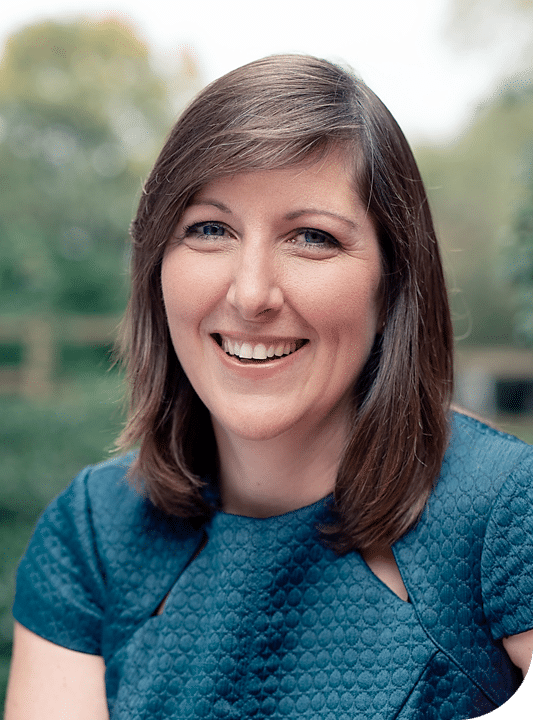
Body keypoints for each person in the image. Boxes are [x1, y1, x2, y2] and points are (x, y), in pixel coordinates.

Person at [5, 54, 533, 720]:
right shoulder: (93, 535)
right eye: (209, 229)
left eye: (310, 237)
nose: (251, 293)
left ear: (392, 282)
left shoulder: (499, 510)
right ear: (155, 268)